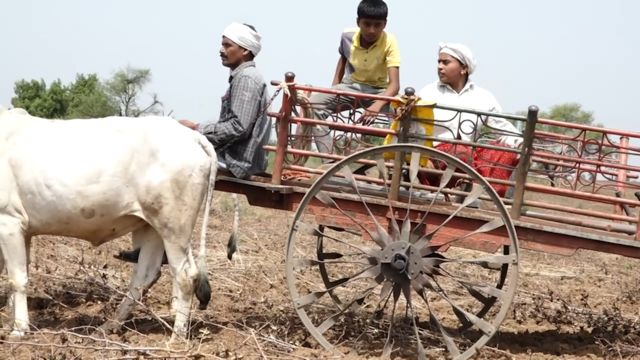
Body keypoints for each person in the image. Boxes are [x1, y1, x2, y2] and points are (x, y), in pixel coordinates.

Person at [116, 22, 270, 264]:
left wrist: (197, 129)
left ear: (245, 51)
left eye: (227, 45)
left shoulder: (247, 79)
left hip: (237, 159)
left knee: (166, 173)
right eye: (222, 43)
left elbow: (238, 127)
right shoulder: (243, 76)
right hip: (233, 153)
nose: (221, 49)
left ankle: (165, 247)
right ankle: (156, 245)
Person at [417, 42, 522, 197]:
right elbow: (414, 127)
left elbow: (503, 128)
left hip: (468, 161)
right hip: (434, 159)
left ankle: (484, 195)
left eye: (446, 62)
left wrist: (521, 144)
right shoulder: (428, 93)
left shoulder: (483, 97)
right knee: (460, 151)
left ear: (464, 68)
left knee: (505, 152)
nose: (440, 66)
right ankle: (467, 191)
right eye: (439, 62)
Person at [310, 0, 400, 156]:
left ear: (384, 24)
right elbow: (343, 59)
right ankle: (330, 160)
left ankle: (394, 166)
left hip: (379, 91)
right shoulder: (347, 36)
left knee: (403, 115)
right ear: (358, 22)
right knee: (313, 105)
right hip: (351, 86)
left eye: (377, 25)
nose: (371, 30)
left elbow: (394, 85)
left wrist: (376, 106)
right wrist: (334, 89)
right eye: (367, 24)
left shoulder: (390, 41)